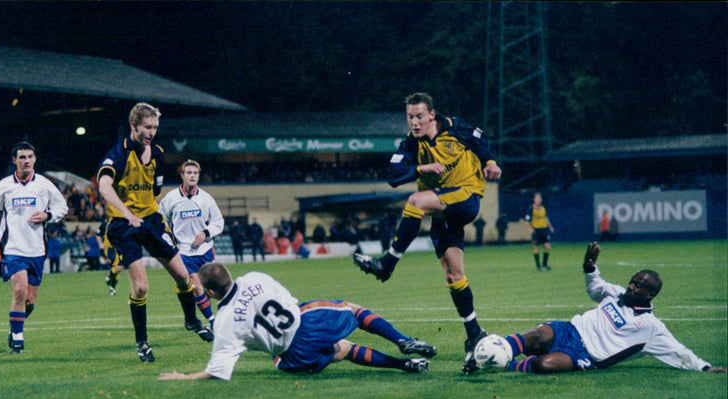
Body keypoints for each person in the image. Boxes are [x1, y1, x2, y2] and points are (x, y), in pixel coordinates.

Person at [352, 92, 502, 375]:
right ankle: (475, 335)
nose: (415, 122)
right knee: (453, 274)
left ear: (432, 115)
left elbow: (480, 141)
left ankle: (388, 263)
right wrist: (422, 167)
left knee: (415, 202)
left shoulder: (455, 128)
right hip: (444, 209)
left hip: (466, 197)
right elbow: (393, 175)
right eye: (410, 117)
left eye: (420, 116)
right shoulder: (410, 144)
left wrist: (490, 162)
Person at [158, 262, 436, 381]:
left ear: (210, 293)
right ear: (229, 275)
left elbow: (217, 371)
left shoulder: (223, 322)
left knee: (346, 349)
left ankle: (406, 365)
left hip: (292, 356)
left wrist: (185, 377)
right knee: (354, 310)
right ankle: (402, 341)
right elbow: (289, 300)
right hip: (305, 322)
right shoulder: (253, 277)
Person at [494, 242, 726, 374]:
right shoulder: (617, 293)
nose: (630, 286)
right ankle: (495, 349)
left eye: (638, 285)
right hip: (570, 329)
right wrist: (589, 268)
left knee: (544, 365)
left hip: (585, 354)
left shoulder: (651, 328)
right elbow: (596, 288)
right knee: (539, 333)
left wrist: (704, 367)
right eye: (632, 281)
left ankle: (507, 366)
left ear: (650, 294)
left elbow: (677, 350)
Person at [97, 102, 212, 362]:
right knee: (140, 288)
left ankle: (191, 321)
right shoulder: (118, 154)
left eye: (155, 127)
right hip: (123, 226)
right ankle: (142, 343)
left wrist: (145, 214)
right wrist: (127, 213)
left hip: (150, 220)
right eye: (147, 127)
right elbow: (104, 187)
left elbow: (155, 192)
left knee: (184, 277)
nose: (151, 132)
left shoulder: (158, 154)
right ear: (134, 126)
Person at [0, 142, 69, 353]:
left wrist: (48, 215)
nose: (26, 160)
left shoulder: (45, 185)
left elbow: (61, 207)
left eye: (30, 156)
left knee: (29, 300)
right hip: (12, 249)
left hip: (37, 250)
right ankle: (18, 341)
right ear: (14, 160)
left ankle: (14, 327)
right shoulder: (3, 186)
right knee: (19, 290)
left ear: (35, 159)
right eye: (22, 157)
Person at [159, 159, 224, 326]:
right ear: (182, 175)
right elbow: (161, 220)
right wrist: (167, 237)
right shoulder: (171, 198)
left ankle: (225, 316)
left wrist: (206, 232)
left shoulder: (206, 199)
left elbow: (218, 222)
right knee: (195, 285)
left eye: (195, 173)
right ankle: (212, 322)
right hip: (183, 252)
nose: (192, 176)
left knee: (211, 290)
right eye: (189, 172)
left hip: (205, 250)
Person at [524, 192, 554, 271]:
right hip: (536, 230)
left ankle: (544, 263)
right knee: (536, 247)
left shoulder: (543, 208)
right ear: (534, 200)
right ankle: (538, 266)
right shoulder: (531, 209)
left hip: (544, 229)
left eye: (539, 198)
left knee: (547, 246)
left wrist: (550, 227)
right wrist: (530, 229)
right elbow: (526, 221)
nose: (538, 200)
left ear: (541, 200)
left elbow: (545, 218)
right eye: (537, 198)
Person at [99, 220, 122, 296]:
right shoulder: (105, 224)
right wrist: (100, 244)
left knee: (117, 269)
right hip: (111, 248)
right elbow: (97, 234)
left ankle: (112, 289)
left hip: (120, 248)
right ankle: (109, 274)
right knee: (119, 267)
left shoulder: (122, 222)